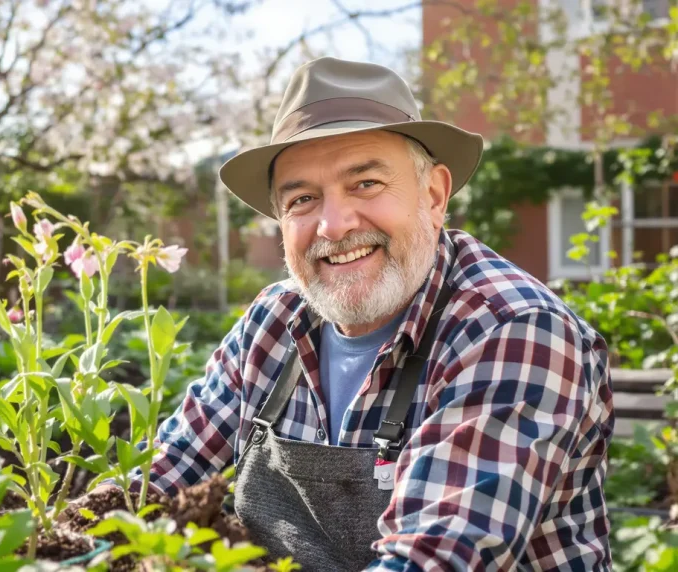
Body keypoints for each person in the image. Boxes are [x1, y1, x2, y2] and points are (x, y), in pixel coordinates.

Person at [86, 57, 614, 571]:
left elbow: (433, 557)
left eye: (366, 184)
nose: (334, 225)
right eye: (302, 199)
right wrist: (72, 536)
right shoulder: (273, 324)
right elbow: (160, 476)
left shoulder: (510, 328)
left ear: (433, 195)